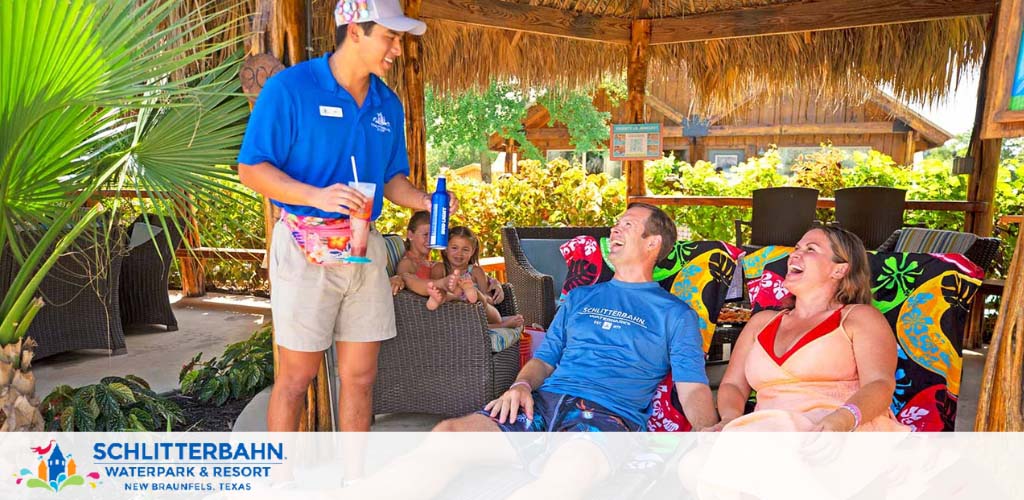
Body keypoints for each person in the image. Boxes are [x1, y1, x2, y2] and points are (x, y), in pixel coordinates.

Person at [236, 0, 456, 432]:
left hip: (364, 248)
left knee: (360, 377)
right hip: (304, 248)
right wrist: (316, 196)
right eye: (390, 37)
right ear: (355, 30)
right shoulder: (291, 89)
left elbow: (391, 179)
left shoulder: (386, 104)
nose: (397, 48)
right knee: (296, 379)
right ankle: (281, 484)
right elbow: (252, 168)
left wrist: (424, 202)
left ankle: (355, 484)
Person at [435, 203, 717, 434]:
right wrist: (520, 386)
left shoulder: (676, 314)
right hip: (542, 403)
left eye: (627, 225)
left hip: (606, 415)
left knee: (564, 473)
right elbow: (544, 360)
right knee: (448, 434)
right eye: (616, 223)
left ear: (652, 243)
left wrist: (708, 432)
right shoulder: (580, 297)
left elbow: (691, 386)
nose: (614, 228)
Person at [710, 225, 908, 432]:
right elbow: (733, 385)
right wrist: (729, 420)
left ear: (839, 269)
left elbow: (879, 384)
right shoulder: (760, 323)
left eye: (810, 249)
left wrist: (841, 420)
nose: (795, 254)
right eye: (796, 248)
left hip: (841, 432)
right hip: (769, 432)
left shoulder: (859, 318)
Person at [420, 226, 523, 329]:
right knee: (449, 297)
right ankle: (502, 325)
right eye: (454, 248)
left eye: (465, 249)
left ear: (472, 251)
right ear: (446, 248)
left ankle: (475, 294)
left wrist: (480, 299)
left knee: (485, 306)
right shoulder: (439, 268)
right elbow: (436, 291)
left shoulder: (476, 271)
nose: (459, 253)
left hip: (479, 314)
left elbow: (490, 300)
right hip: (453, 314)